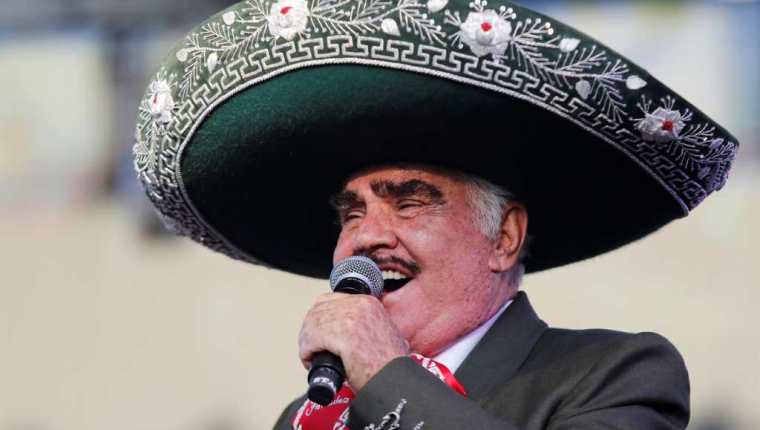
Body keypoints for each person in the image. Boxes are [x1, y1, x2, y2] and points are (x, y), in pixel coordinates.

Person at [132, 0, 739, 428]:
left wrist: (386, 374)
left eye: (409, 201)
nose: (367, 237)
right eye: (351, 213)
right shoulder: (307, 417)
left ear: (504, 237)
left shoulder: (614, 376)